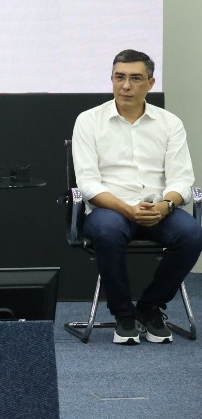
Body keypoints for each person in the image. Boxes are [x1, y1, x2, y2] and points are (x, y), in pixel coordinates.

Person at [71, 49, 202, 345]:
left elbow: (182, 178)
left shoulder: (170, 123)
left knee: (192, 234)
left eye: (135, 78)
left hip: (159, 208)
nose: (126, 86)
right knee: (106, 231)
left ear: (151, 83)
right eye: (120, 77)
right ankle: (124, 316)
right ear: (112, 79)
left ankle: (150, 307)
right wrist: (128, 210)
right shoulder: (89, 121)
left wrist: (166, 205)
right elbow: (88, 183)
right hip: (111, 208)